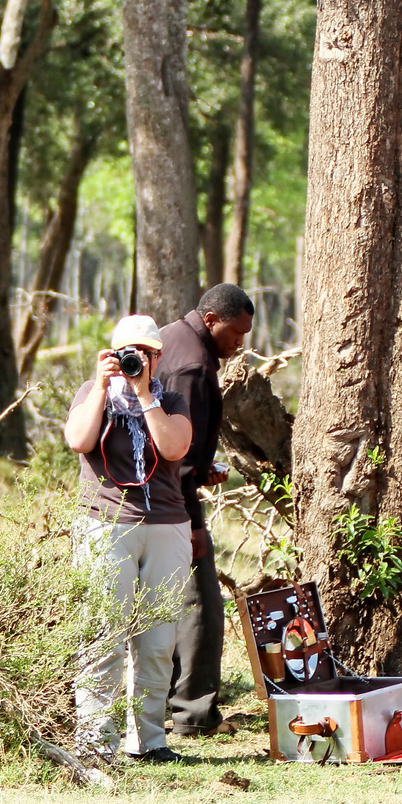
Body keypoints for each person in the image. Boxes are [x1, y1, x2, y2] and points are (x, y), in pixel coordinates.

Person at [63, 315, 194, 763]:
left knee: (159, 640)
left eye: (148, 353)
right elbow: (78, 439)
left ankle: (150, 740)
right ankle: (97, 742)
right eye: (128, 353)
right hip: (105, 523)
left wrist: (145, 396)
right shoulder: (91, 392)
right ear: (111, 354)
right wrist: (102, 387)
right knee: (103, 636)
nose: (138, 360)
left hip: (166, 525)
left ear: (158, 356)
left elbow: (175, 447)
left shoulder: (171, 399)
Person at [156, 283, 255, 737]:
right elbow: (178, 457)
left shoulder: (170, 338)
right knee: (199, 605)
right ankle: (194, 715)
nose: (240, 343)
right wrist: (194, 522)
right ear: (211, 320)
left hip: (148, 495)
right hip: (169, 504)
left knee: (161, 605)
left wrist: (203, 467)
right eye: (235, 333)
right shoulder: (194, 367)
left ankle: (162, 705)